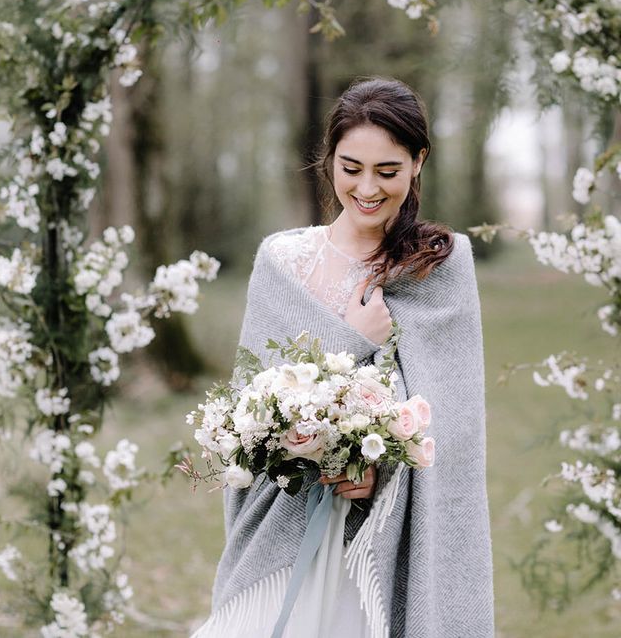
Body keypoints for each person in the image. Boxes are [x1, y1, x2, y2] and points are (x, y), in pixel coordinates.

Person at [191, 77, 494, 637]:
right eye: (351, 167)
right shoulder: (283, 263)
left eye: (388, 171)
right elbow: (251, 410)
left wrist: (378, 466)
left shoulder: (441, 266)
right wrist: (353, 340)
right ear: (328, 160)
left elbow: (454, 425)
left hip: (384, 541)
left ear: (418, 162)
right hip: (290, 523)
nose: (368, 189)